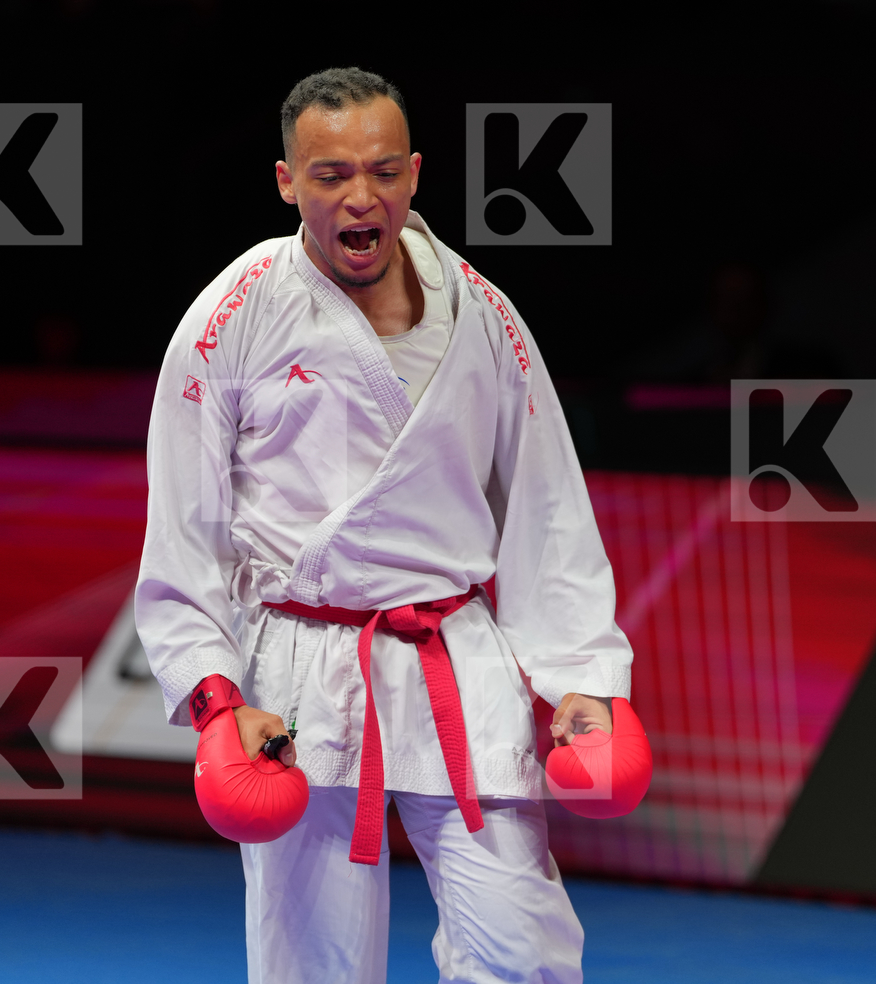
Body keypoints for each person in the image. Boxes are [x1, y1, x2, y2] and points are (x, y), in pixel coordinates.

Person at [135, 67, 633, 984]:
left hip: (457, 657)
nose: (360, 197)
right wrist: (214, 700)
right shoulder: (231, 317)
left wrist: (583, 680)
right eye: (330, 175)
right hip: (298, 675)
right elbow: (185, 530)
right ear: (287, 182)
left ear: (414, 173)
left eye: (382, 171)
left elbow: (545, 510)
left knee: (527, 950)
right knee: (313, 967)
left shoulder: (482, 313)